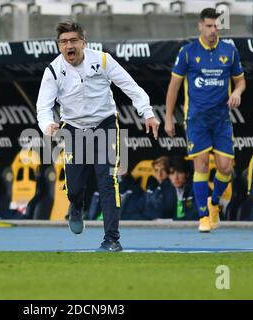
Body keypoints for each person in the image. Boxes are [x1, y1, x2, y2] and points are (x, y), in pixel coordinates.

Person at [36, 20, 159, 251]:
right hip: (73, 128)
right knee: (74, 188)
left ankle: (112, 239)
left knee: (108, 181)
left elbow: (130, 86)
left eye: (73, 40)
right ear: (59, 46)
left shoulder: (102, 60)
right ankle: (76, 205)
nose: (68, 46)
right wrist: (47, 125)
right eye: (63, 42)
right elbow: (43, 106)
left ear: (83, 42)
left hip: (105, 125)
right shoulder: (53, 70)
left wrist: (148, 114)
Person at [164, 8, 246, 232]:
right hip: (196, 119)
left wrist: (237, 92)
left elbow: (240, 81)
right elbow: (174, 86)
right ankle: (203, 217)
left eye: (216, 26)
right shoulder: (188, 52)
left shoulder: (229, 51)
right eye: (208, 26)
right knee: (200, 164)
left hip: (221, 119)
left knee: (225, 168)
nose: (213, 30)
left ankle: (214, 203)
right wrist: (168, 118)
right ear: (200, 26)